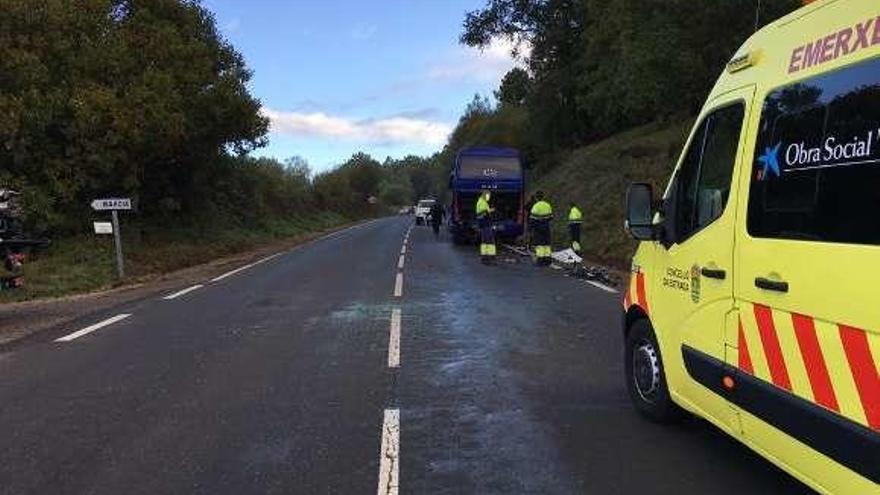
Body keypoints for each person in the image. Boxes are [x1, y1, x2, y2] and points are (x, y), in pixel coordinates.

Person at [529, 191, 553, 266]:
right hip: (546, 226)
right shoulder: (547, 205)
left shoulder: (536, 206)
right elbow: (551, 217)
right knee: (547, 243)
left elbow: (532, 219)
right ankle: (548, 258)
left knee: (539, 243)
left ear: (536, 198)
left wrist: (530, 229)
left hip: (538, 227)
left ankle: (540, 259)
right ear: (543, 197)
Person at [475, 191, 496, 264]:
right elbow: (484, 213)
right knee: (488, 241)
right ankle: (488, 258)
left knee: (487, 241)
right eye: (488, 196)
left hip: (485, 225)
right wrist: (490, 212)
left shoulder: (482, 202)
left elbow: (483, 212)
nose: (489, 197)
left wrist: (490, 210)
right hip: (486, 225)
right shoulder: (482, 202)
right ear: (485, 195)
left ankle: (487, 257)